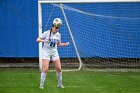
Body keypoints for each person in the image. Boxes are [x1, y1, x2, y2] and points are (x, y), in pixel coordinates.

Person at [36, 18, 69, 89]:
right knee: (46, 68)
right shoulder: (46, 33)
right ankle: (41, 85)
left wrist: (64, 44)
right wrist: (44, 40)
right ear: (53, 26)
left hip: (54, 51)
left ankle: (60, 84)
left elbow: (58, 44)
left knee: (59, 68)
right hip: (46, 51)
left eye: (58, 28)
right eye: (56, 27)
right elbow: (37, 39)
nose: (57, 29)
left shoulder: (58, 35)